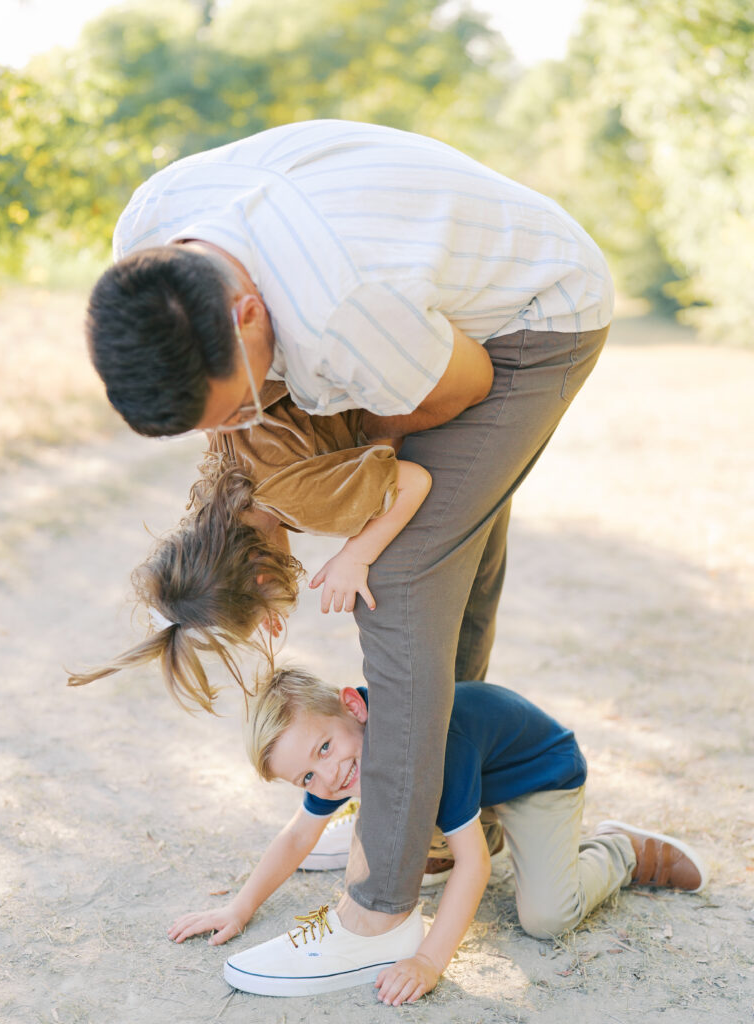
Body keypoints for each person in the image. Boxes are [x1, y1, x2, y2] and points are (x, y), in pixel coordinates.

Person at [86, 119, 615, 977]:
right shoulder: (150, 239)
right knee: (445, 549)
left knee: (403, 575)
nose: (237, 429)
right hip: (419, 315)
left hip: (531, 322)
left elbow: (461, 394)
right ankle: (441, 814)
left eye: (236, 407)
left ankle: (380, 912)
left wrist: (357, 490)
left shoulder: (344, 314)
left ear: (247, 312)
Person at [168, 667, 707, 1003]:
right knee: (416, 849)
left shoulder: (425, 743)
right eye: (307, 776)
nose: (327, 777)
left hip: (539, 775)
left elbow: (474, 870)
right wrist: (239, 907)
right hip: (478, 788)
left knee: (547, 917)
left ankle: (619, 849)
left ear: (352, 707)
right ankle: (475, 829)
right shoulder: (344, 753)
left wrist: (428, 959)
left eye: (325, 750)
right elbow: (297, 836)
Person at [68, 382, 430, 711]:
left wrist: (355, 557)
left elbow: (413, 482)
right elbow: (272, 511)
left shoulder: (300, 497)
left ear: (259, 577)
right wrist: (261, 594)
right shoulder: (223, 488)